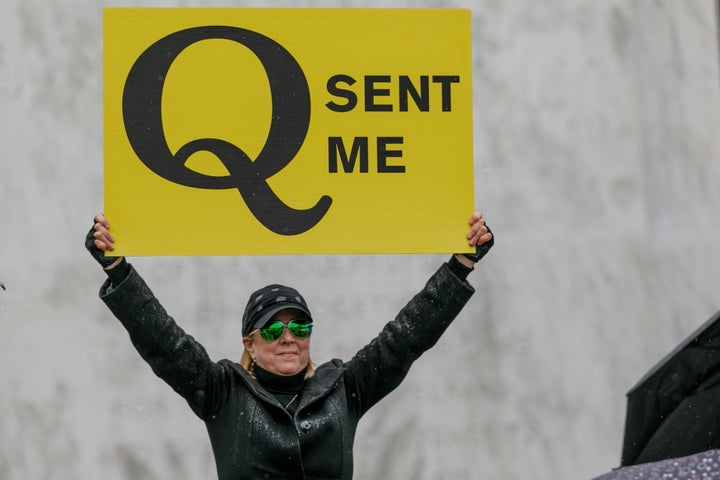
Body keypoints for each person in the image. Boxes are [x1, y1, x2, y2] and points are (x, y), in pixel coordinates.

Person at [85, 211, 494, 480]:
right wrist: (118, 270)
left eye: (299, 325)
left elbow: (406, 337)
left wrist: (459, 266)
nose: (287, 336)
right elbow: (162, 340)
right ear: (249, 342)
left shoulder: (344, 388)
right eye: (271, 329)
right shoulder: (221, 392)